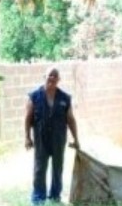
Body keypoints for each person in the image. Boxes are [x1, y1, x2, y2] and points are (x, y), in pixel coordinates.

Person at [25, 68, 80, 205]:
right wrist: (27, 137)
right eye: (50, 75)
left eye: (55, 76)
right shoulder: (34, 96)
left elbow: (71, 119)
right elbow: (27, 118)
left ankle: (55, 195)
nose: (52, 77)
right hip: (40, 138)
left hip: (58, 138)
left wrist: (76, 138)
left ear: (59, 79)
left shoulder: (65, 98)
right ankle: (38, 197)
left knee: (57, 167)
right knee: (40, 168)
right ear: (44, 76)